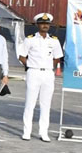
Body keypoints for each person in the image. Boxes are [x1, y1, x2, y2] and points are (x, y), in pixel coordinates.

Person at [20, 13, 63, 142]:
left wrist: (49, 66)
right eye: (42, 23)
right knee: (30, 103)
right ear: (37, 25)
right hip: (34, 72)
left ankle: (43, 132)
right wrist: (30, 65)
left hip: (48, 74)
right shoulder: (30, 39)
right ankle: (27, 131)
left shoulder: (54, 40)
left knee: (46, 105)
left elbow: (57, 57)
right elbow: (22, 55)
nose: (45, 26)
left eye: (47, 24)